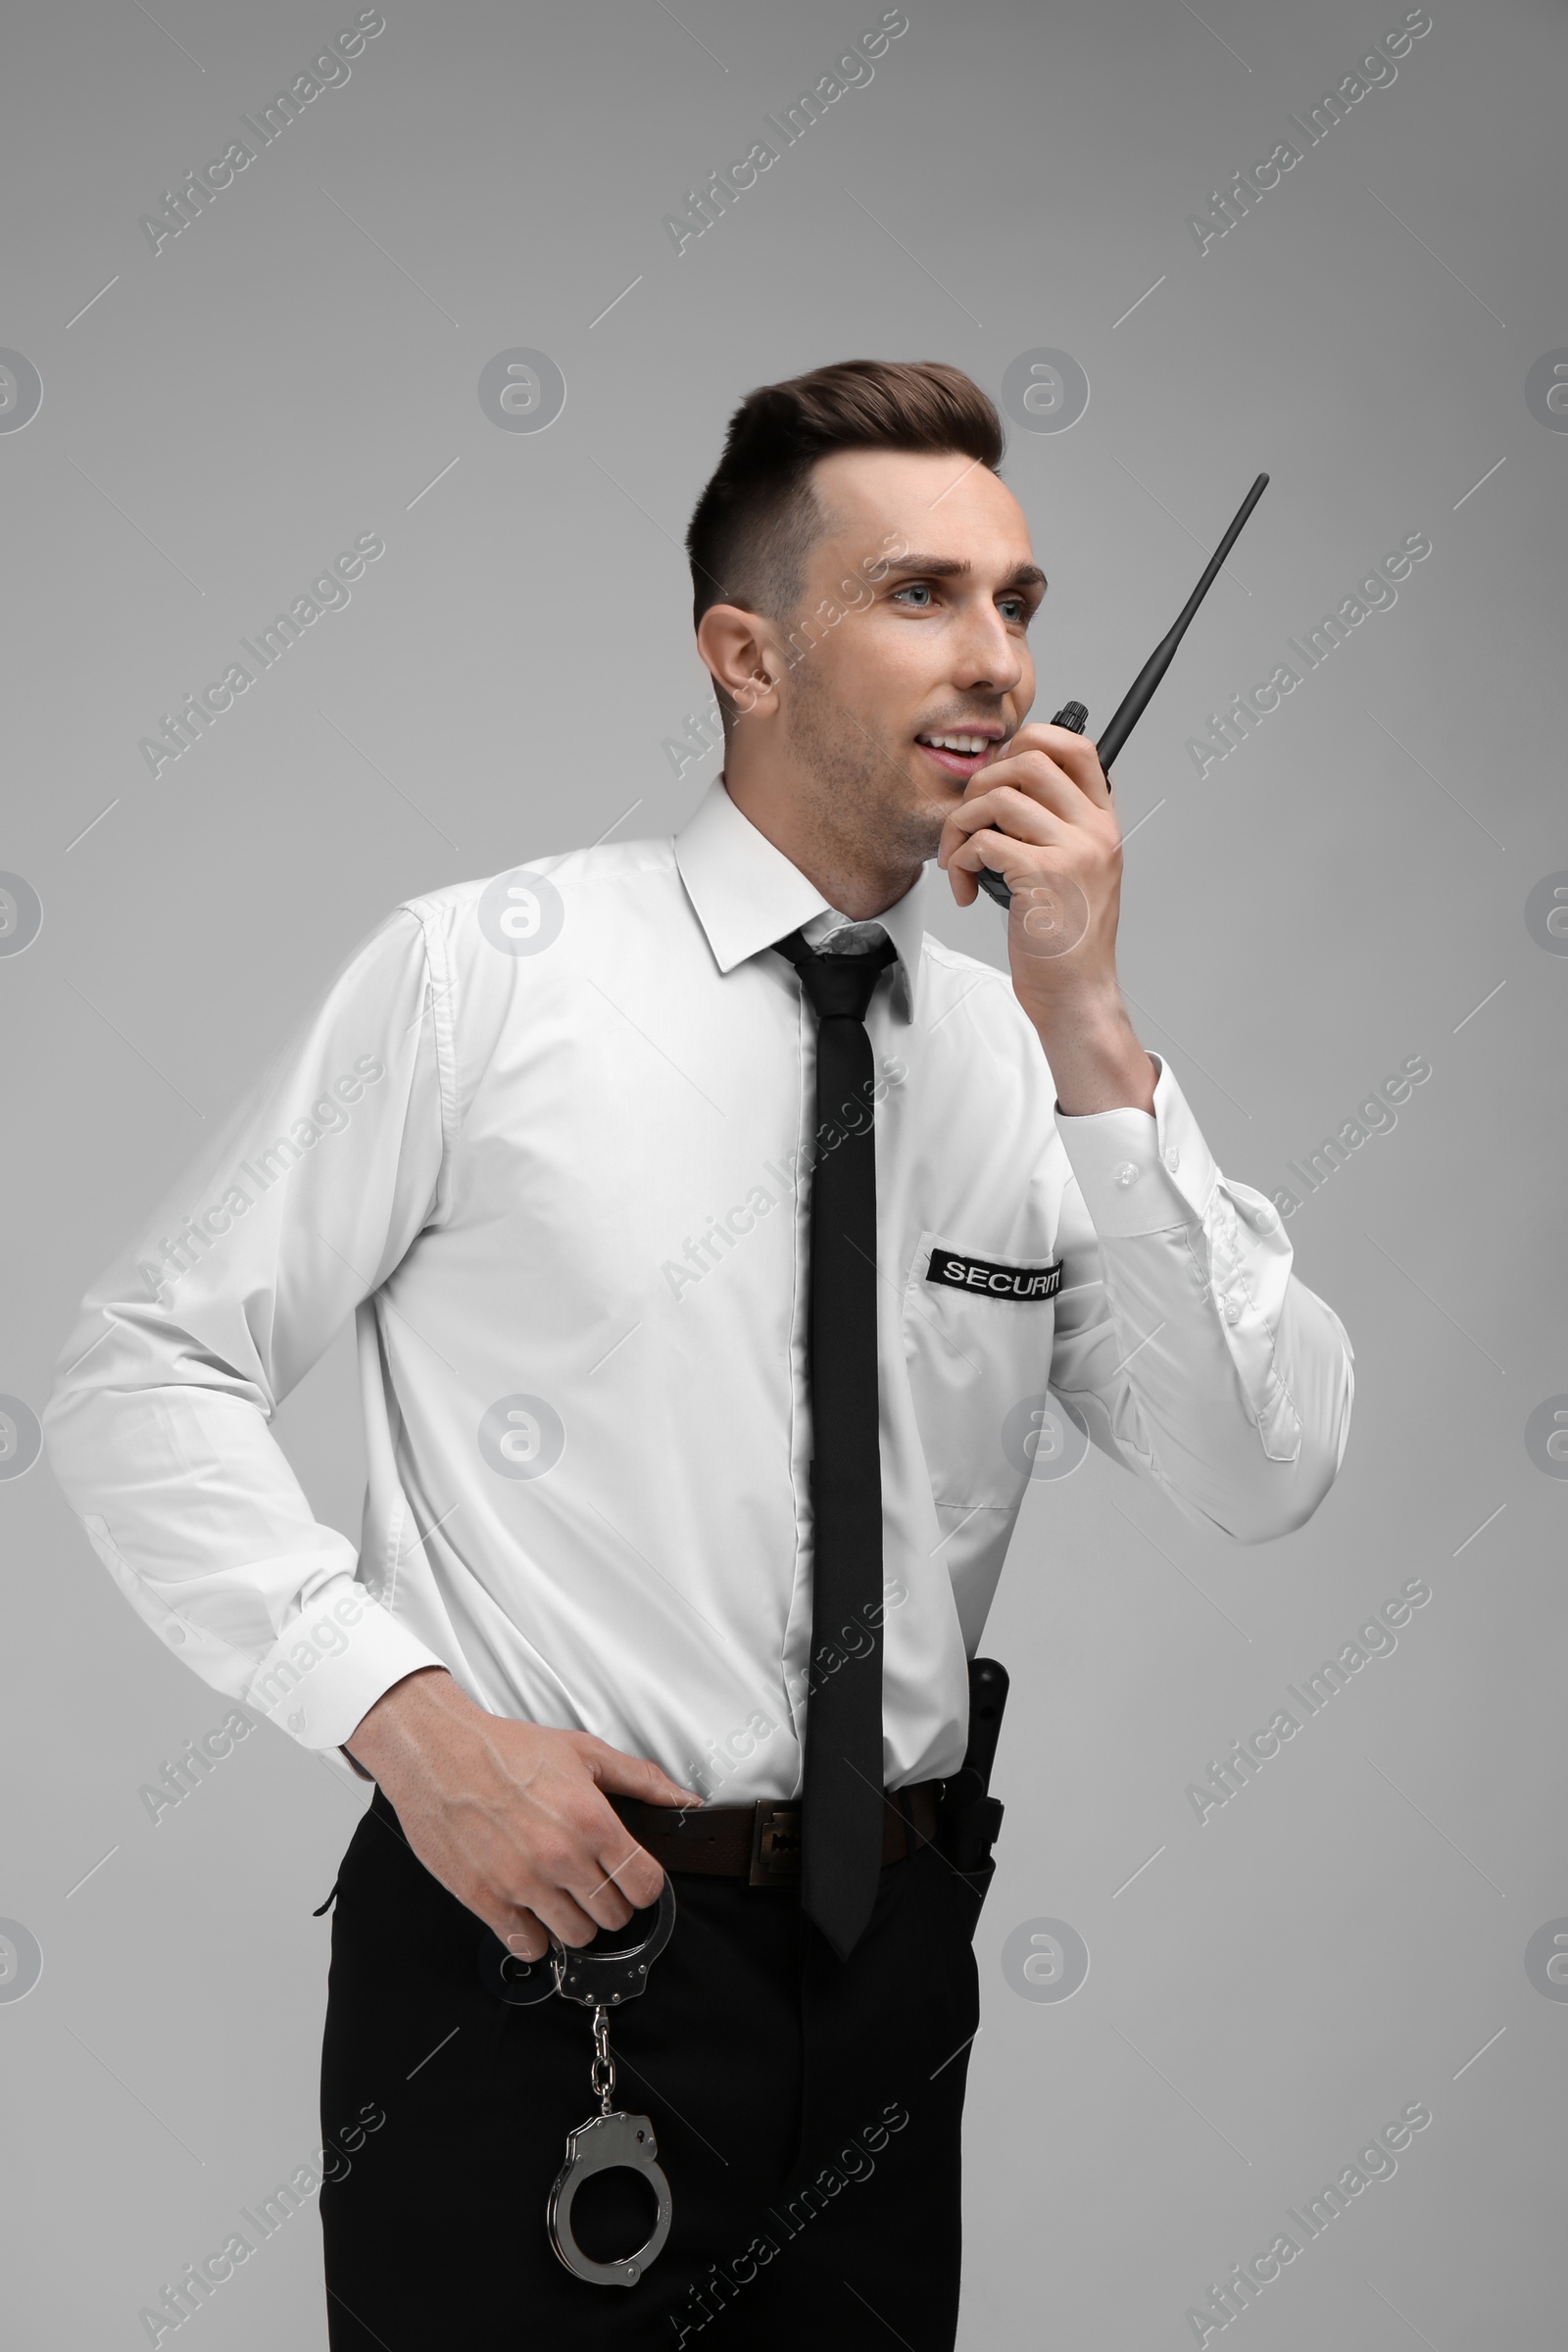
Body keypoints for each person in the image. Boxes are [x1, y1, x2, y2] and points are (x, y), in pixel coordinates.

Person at [45, 359, 1352, 2348]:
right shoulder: (487, 981)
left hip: (890, 1972)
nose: (993, 659)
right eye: (918, 594)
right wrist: (402, 1720)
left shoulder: (1031, 1073)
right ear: (743, 653)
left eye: (1018, 602)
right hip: (537, 1951)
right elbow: (138, 1371)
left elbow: (1259, 1466)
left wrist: (1088, 1021)